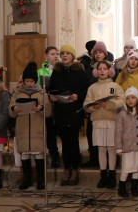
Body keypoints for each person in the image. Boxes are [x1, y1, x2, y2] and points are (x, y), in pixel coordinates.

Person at [48, 44, 89, 186]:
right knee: (64, 143)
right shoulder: (57, 71)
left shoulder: (79, 72)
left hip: (74, 111)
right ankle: (66, 170)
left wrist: (78, 96)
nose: (64, 56)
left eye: (68, 53)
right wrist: (52, 97)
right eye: (62, 53)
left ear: (72, 56)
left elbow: (86, 90)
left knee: (73, 142)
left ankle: (75, 170)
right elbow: (51, 89)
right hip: (61, 111)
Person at [9, 62, 53, 190]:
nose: (28, 84)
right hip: (23, 128)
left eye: (31, 81)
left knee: (38, 153)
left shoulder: (42, 93)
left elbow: (49, 111)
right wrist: (14, 109)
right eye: (26, 81)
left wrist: (41, 108)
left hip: (37, 127)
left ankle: (40, 179)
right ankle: (27, 179)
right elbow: (10, 110)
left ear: (36, 81)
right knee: (25, 154)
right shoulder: (17, 93)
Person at [84, 61, 125, 189]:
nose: (102, 71)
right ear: (96, 72)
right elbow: (86, 104)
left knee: (111, 149)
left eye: (105, 69)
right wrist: (93, 106)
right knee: (101, 149)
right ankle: (103, 176)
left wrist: (106, 105)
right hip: (98, 121)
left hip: (112, 121)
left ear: (110, 71)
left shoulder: (115, 86)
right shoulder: (92, 87)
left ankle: (112, 175)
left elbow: (120, 102)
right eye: (100, 69)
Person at [115, 87, 138, 197]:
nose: (130, 100)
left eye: (133, 97)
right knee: (126, 168)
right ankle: (121, 188)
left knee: (137, 169)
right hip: (127, 146)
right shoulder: (122, 114)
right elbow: (118, 132)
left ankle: (134, 188)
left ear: (137, 99)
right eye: (128, 98)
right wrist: (119, 147)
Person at [82, 41, 112, 169]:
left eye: (100, 52)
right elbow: (86, 88)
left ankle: (110, 163)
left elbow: (113, 88)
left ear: (105, 55)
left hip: (107, 107)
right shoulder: (89, 69)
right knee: (91, 133)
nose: (98, 54)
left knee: (108, 138)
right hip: (94, 107)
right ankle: (94, 158)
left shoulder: (111, 68)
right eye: (96, 53)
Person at [11, 76, 38, 184]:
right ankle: (23, 174)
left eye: (24, 81)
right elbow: (9, 111)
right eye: (20, 82)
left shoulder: (34, 94)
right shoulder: (14, 94)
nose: (22, 83)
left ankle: (34, 174)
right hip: (18, 127)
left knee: (32, 151)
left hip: (33, 126)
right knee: (19, 152)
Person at [37, 46, 61, 168]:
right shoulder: (40, 72)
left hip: (61, 105)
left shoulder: (63, 69)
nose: (56, 56)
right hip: (48, 105)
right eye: (53, 54)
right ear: (46, 57)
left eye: (57, 54)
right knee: (50, 133)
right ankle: (54, 157)